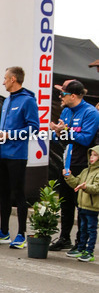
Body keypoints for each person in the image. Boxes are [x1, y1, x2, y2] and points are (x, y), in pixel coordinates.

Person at [0, 66, 39, 249]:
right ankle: (4, 231)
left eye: (5, 78)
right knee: (3, 193)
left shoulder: (28, 101)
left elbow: (34, 128)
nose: (3, 82)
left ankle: (21, 235)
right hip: (1, 152)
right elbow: (4, 127)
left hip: (17, 155)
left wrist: (9, 135)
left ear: (13, 79)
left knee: (18, 194)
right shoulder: (7, 101)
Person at [49, 80, 99, 252]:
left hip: (83, 164)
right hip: (67, 161)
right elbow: (59, 139)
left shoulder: (90, 112)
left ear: (73, 96)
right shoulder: (66, 111)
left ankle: (81, 242)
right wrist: (57, 132)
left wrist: (66, 131)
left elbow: (86, 139)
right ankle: (64, 238)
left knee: (82, 206)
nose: (60, 97)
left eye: (63, 94)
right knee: (65, 202)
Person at [63, 146, 99, 262]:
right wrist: (68, 177)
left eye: (95, 155)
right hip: (82, 206)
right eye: (91, 155)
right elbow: (76, 183)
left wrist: (85, 187)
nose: (91, 157)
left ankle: (90, 252)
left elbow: (96, 188)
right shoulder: (85, 171)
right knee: (82, 229)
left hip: (92, 207)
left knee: (91, 230)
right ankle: (81, 248)